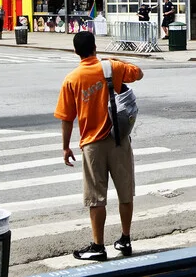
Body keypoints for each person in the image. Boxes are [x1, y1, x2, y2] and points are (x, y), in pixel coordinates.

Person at [54, 31, 144, 262]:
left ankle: (98, 245)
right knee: (125, 192)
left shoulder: (72, 79)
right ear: (95, 48)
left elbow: (66, 118)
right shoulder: (110, 67)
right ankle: (125, 239)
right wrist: (113, 64)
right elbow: (138, 73)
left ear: (76, 52)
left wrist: (65, 147)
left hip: (92, 144)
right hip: (118, 139)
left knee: (96, 197)